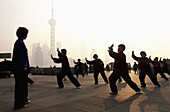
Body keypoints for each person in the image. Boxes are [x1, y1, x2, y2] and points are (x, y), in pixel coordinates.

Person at [12, 27, 31, 109]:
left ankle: (23, 100)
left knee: (22, 85)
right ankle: (19, 103)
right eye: (26, 34)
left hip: (20, 68)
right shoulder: (19, 43)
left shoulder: (19, 42)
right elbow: (21, 56)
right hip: (21, 68)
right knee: (20, 86)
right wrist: (24, 66)